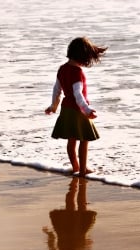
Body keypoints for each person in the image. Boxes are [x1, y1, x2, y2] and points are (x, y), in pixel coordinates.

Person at [45, 37, 107, 176]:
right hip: (78, 111)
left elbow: (56, 90)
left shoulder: (62, 69)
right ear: (82, 55)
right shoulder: (77, 72)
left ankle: (75, 167)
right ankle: (83, 171)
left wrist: (53, 107)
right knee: (84, 140)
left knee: (71, 141)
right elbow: (78, 95)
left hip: (66, 110)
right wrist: (87, 110)